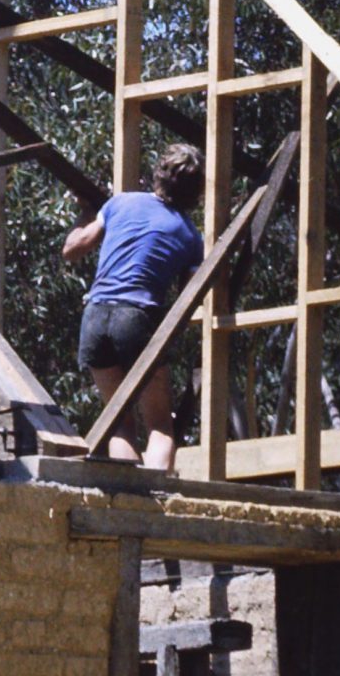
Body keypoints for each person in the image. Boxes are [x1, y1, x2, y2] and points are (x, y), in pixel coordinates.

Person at [62, 143, 205, 470]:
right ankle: (153, 500)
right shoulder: (189, 235)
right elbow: (189, 298)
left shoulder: (120, 203)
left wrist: (86, 213)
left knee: (120, 423)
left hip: (95, 316)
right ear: (195, 191)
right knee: (159, 426)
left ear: (159, 175)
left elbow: (72, 249)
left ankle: (128, 499)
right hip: (137, 318)